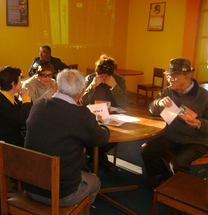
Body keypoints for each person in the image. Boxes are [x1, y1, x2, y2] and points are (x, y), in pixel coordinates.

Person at [24, 69, 110, 207]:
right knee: (95, 181)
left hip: (31, 186)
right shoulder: (81, 114)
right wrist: (99, 122)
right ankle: (78, 209)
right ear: (82, 92)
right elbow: (101, 139)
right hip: (61, 193)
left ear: (56, 87)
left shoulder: (38, 106)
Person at [141, 58, 208, 189]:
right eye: (169, 77)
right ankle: (166, 178)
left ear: (186, 76)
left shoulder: (204, 96)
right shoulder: (168, 91)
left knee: (178, 163)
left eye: (174, 78)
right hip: (173, 136)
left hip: (196, 141)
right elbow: (152, 109)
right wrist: (158, 103)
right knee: (146, 149)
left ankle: (181, 191)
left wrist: (200, 123)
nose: (170, 81)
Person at [80, 54, 128, 170]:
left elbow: (123, 103)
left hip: (113, 117)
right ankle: (100, 160)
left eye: (105, 76)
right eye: (100, 75)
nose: (103, 78)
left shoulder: (119, 80)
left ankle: (95, 158)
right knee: (89, 134)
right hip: (93, 116)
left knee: (114, 137)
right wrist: (92, 86)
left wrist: (114, 86)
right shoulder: (90, 78)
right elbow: (83, 102)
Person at [0, 66, 32, 160]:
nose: (21, 83)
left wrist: (23, 99)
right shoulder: (1, 103)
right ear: (13, 84)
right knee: (38, 149)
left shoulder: (7, 97)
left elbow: (22, 112)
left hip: (9, 140)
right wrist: (25, 98)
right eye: (19, 80)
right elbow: (25, 120)